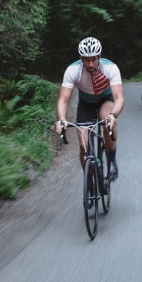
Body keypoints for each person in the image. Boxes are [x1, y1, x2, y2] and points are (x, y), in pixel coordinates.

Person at [55, 36, 124, 180]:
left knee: (107, 121)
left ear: (99, 56)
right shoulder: (73, 70)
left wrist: (113, 115)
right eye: (86, 60)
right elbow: (63, 100)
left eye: (93, 59)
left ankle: (112, 161)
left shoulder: (110, 68)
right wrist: (61, 119)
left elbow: (119, 98)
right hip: (86, 104)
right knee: (83, 145)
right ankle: (90, 180)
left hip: (106, 100)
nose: (90, 64)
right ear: (81, 59)